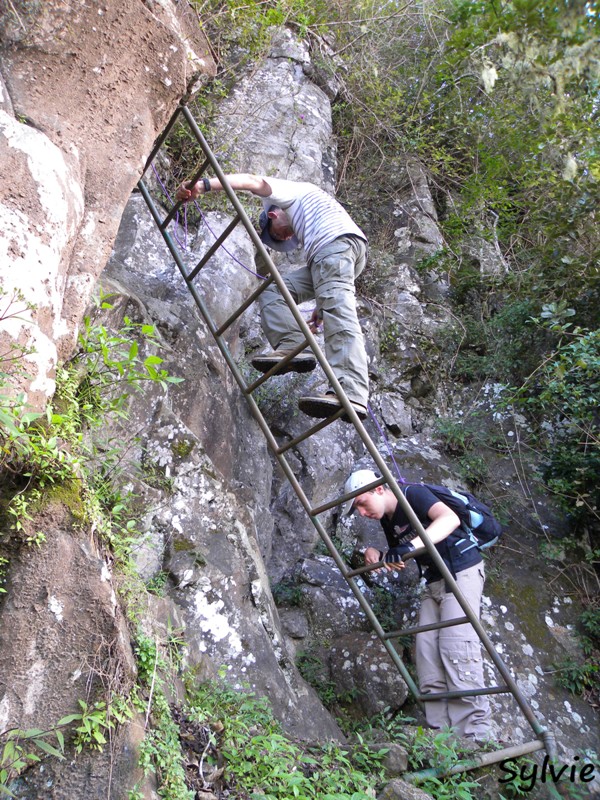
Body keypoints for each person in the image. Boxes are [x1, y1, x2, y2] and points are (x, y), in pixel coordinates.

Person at [176, 173, 369, 420]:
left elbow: (251, 181)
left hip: (333, 247)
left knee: (339, 314)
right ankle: (291, 346)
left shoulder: (289, 195)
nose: (286, 238)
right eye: (281, 239)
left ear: (272, 216)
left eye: (278, 235)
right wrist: (320, 307)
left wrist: (202, 186)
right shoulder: (309, 213)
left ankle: (350, 392)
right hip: (334, 254)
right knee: (273, 290)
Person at [342, 468, 492, 742]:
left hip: (461, 571)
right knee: (425, 651)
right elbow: (404, 553)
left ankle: (474, 736)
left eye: (361, 503)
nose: (362, 513)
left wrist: (407, 546)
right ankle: (440, 736)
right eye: (357, 509)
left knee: (456, 646)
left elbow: (449, 519)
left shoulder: (413, 494)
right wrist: (377, 554)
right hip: (433, 581)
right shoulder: (389, 519)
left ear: (377, 489)